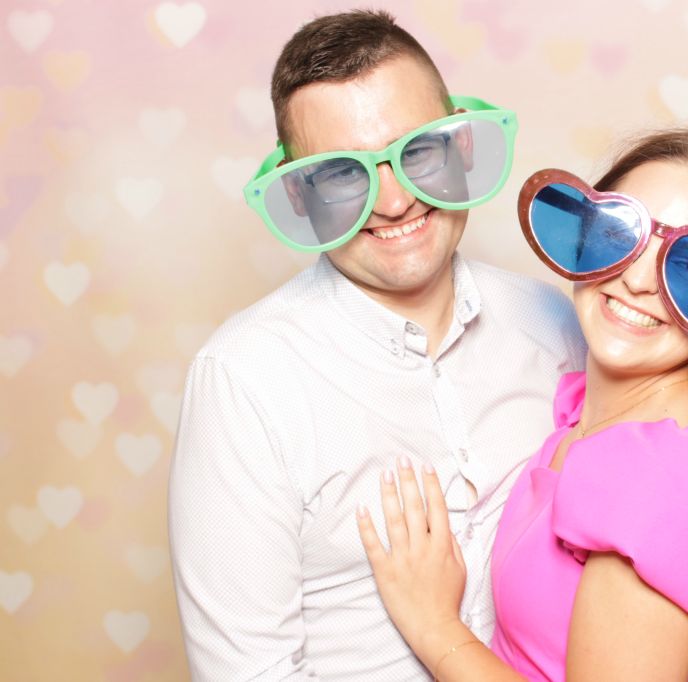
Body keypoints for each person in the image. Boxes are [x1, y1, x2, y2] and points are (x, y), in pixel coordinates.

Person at [166, 10, 590, 680]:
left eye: (417, 151)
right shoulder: (243, 381)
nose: (394, 202)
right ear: (299, 195)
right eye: (342, 174)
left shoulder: (555, 323)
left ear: (462, 145)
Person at [357, 129, 688, 681]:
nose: (637, 280)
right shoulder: (589, 409)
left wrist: (435, 626)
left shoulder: (661, 475)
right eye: (619, 234)